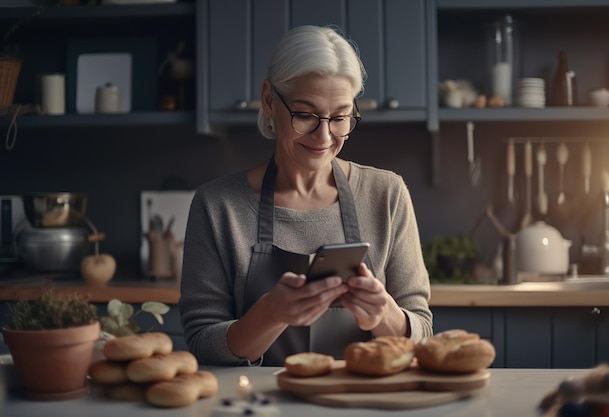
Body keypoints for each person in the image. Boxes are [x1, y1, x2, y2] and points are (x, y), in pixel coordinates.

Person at [179, 25, 433, 367]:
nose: (324, 136)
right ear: (269, 100)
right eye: (305, 115)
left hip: (364, 402)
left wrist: (384, 316)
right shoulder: (218, 206)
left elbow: (422, 330)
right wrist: (269, 315)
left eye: (340, 117)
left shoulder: (386, 194)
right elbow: (201, 342)